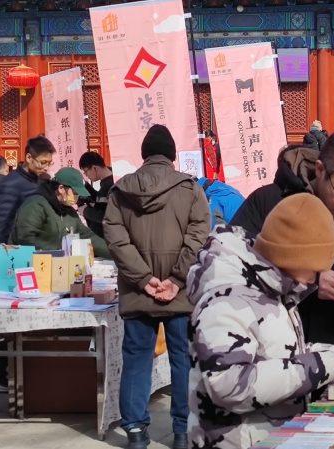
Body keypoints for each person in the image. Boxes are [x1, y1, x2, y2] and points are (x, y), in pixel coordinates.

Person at [187, 194, 334, 449]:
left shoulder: (275, 292)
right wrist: (319, 367)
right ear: (291, 257)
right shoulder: (226, 299)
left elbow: (284, 355)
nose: (315, 278)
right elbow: (228, 386)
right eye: (314, 268)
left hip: (272, 437)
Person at [230, 127, 334, 348]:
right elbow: (231, 270)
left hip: (331, 362)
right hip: (265, 359)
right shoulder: (269, 203)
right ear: (321, 169)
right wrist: (308, 281)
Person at [103, 124, 211, 449]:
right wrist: (176, 279)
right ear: (173, 155)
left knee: (137, 358)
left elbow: (115, 237)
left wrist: (142, 278)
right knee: (182, 358)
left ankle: (135, 431)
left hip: (138, 291)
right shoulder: (190, 188)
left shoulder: (120, 190)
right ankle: (181, 431)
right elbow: (200, 235)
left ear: (144, 154)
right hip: (179, 292)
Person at [10, 167, 109, 257]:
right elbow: (25, 238)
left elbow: (87, 236)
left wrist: (114, 253)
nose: (77, 197)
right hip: (29, 265)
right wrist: (59, 252)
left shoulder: (69, 212)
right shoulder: (36, 205)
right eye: (75, 192)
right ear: (61, 188)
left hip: (57, 267)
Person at [0, 135, 56, 244]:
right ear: (29, 158)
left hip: (38, 244)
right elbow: (2, 223)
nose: (46, 168)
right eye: (43, 162)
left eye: (49, 163)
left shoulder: (42, 181)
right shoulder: (12, 183)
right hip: (16, 249)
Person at [79, 151, 114, 239]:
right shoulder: (109, 181)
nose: (86, 175)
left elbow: (103, 216)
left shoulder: (108, 186)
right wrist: (87, 187)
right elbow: (100, 201)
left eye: (86, 171)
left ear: (94, 168)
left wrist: (84, 211)